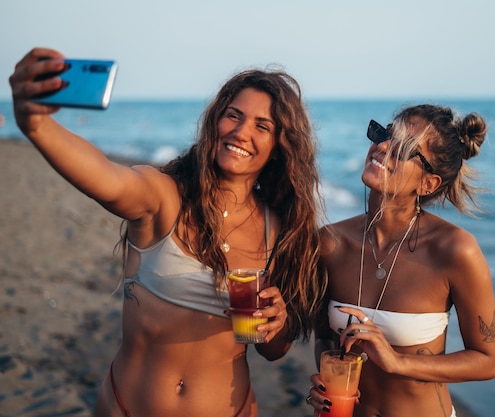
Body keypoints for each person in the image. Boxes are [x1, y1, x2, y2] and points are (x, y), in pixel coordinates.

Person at [10, 47, 326, 417]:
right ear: (215, 121)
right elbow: (106, 179)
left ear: (279, 146)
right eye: (233, 116)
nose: (241, 133)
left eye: (262, 126)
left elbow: (272, 351)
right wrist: (37, 125)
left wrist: (279, 321)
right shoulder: (164, 196)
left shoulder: (279, 229)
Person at [306, 104, 495, 417]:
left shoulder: (455, 250)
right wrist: (327, 383)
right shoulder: (329, 242)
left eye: (403, 149)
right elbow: (326, 339)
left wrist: (399, 362)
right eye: (384, 135)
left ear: (428, 184)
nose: (381, 147)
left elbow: (488, 360)